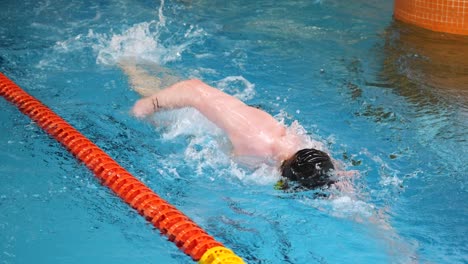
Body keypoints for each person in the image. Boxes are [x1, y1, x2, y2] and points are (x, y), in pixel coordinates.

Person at [121, 60, 340, 191]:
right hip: (191, 112)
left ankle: (142, 61)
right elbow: (193, 90)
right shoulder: (254, 137)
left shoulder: (308, 150)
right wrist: (149, 105)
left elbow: (335, 177)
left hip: (217, 122)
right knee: (144, 86)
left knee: (159, 76)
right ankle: (124, 60)